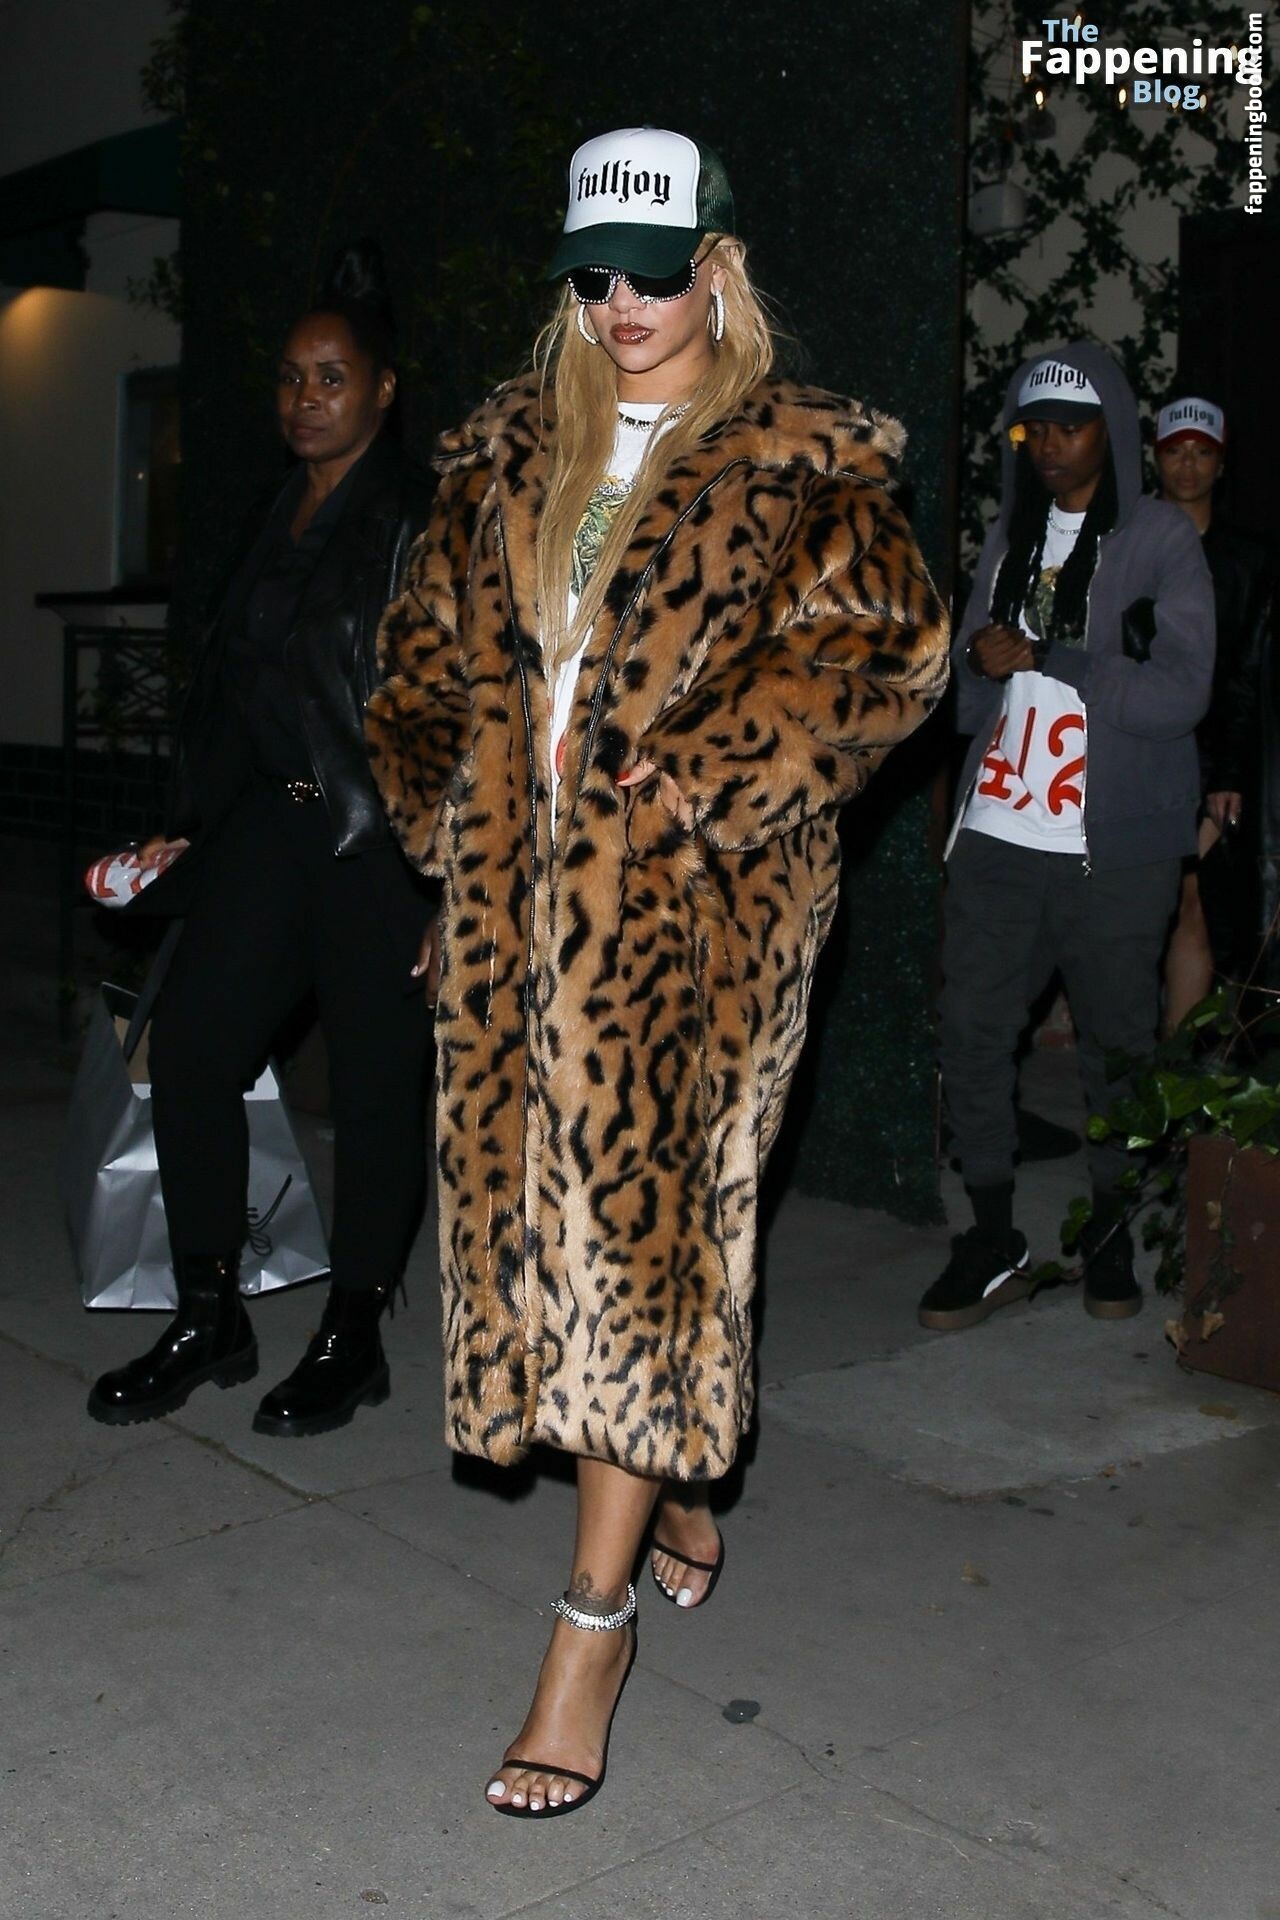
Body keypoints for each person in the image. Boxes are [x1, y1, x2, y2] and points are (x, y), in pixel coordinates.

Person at [366, 125, 949, 1816]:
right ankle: (676, 1477)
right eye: (592, 275)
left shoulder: (799, 458)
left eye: (655, 268)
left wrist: (706, 767)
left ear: (719, 267)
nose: (622, 303)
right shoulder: (507, 452)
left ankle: (589, 1630)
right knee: (541, 1258)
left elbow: (892, 650)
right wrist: (454, 841)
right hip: (518, 914)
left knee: (641, 1248)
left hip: (702, 921)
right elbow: (419, 669)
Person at [88, 244, 437, 1437]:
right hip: (269, 831)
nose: (304, 399)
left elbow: (469, 706)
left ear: (382, 389)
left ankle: (352, 1335)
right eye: (291, 378)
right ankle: (207, 1313)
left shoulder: (421, 516)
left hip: (381, 849)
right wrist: (187, 829)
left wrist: (453, 884)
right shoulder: (273, 506)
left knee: (379, 1090)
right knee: (192, 1049)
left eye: (330, 378)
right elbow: (241, 689)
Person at [920, 345, 1214, 1333]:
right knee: (970, 1034)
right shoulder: (1009, 534)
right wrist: (978, 659)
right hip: (1001, 829)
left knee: (1116, 1049)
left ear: (1111, 432)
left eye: (1070, 427)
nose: (1048, 445)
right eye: (1033, 428)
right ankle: (990, 1234)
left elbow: (1182, 693)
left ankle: (1110, 1234)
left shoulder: (1160, 539)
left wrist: (1058, 657)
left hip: (1112, 843)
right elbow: (968, 700)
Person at [1155, 395, 1273, 1027]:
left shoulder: (1250, 560)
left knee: (1196, 903)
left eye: (1202, 453)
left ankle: (1173, 1067)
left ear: (1221, 465)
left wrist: (1227, 771)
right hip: (1134, 746)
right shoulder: (1126, 545)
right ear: (1157, 459)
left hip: (1209, 758)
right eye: (1176, 451)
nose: (1188, 465)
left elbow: (1249, 673)